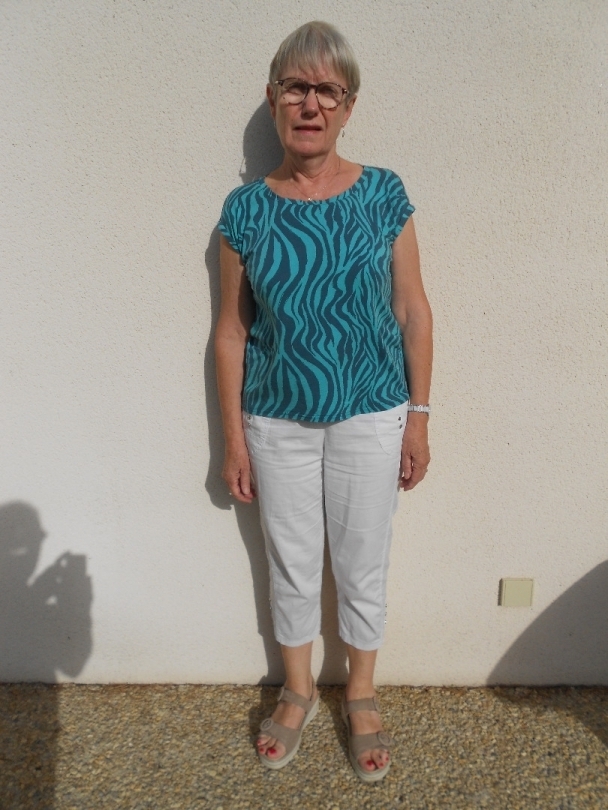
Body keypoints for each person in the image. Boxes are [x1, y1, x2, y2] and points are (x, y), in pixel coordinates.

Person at [215, 21, 432, 783]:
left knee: (363, 558)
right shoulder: (245, 210)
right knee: (293, 562)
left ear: (348, 106)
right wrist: (233, 441)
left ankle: (361, 692)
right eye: (296, 88)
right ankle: (299, 688)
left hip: (372, 411)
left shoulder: (384, 194)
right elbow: (231, 333)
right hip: (276, 419)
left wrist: (419, 418)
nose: (311, 104)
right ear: (273, 98)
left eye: (327, 91)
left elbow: (412, 309)